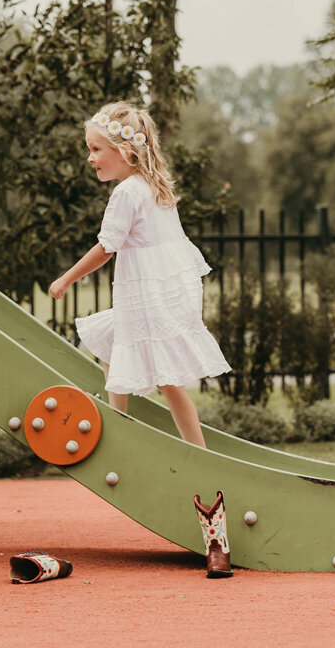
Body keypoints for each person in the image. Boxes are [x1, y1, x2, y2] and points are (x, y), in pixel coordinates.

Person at [49, 102, 230, 447]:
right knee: (112, 347)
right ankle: (129, 426)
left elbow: (106, 248)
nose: (90, 158)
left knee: (161, 377)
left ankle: (130, 434)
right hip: (167, 294)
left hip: (150, 299)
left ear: (125, 151)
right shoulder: (153, 187)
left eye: (96, 149)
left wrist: (66, 278)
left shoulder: (126, 193)